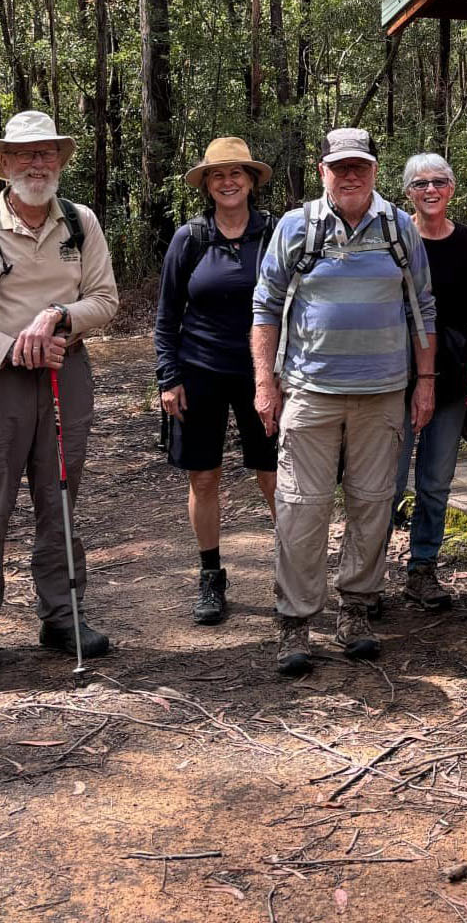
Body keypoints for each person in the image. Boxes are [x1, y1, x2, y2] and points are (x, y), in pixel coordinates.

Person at [0, 111, 119, 681]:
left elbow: (106, 300)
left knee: (59, 502)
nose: (36, 164)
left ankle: (62, 617)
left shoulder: (81, 224)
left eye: (46, 154)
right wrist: (15, 349)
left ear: (59, 161)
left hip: (67, 375)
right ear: (5, 164)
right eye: (24, 155)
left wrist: (60, 317)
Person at [251, 128, 437, 678]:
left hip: (383, 391)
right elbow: (265, 306)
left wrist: (424, 380)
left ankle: (355, 610)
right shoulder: (297, 227)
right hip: (310, 390)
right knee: (300, 506)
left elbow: (422, 306)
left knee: (373, 502)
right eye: (340, 167)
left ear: (375, 170)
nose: (350, 175)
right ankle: (295, 621)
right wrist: (266, 383)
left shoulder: (400, 229)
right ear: (323, 170)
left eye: (360, 166)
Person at [155, 137, 278, 627]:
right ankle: (210, 575)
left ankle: (291, 570)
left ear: (250, 181)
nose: (228, 182)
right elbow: (166, 315)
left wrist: (280, 373)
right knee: (203, 475)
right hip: (199, 370)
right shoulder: (189, 238)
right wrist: (169, 376)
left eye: (237, 174)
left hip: (262, 373)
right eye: (217, 175)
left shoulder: (273, 234)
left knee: (272, 474)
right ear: (206, 184)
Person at [392, 153, 467, 611]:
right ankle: (365, 575)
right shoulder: (395, 238)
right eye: (420, 183)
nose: (430, 190)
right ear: (407, 191)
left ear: (451, 189)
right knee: (385, 481)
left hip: (449, 372)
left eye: (439, 182)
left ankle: (423, 568)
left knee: (435, 479)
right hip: (393, 372)